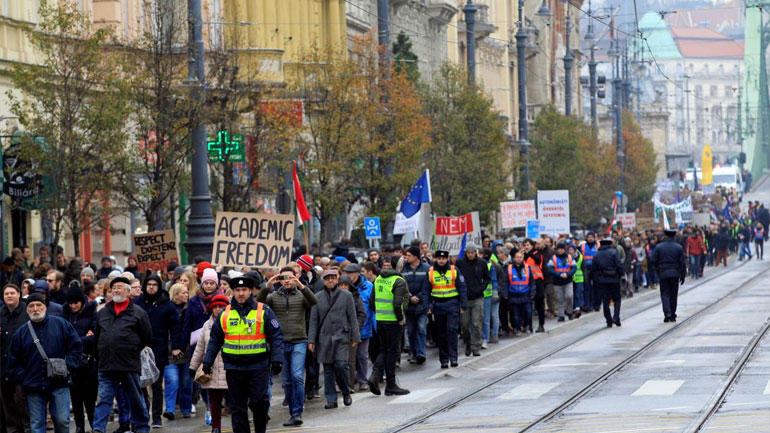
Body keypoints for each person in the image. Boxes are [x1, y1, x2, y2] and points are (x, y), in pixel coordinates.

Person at [202, 276, 284, 433]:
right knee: (237, 406)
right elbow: (214, 340)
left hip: (258, 366)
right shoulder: (225, 314)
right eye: (237, 290)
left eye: (244, 290)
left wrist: (277, 359)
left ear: (251, 291)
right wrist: (208, 361)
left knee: (259, 402)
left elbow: (276, 336)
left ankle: (260, 429)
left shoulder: (263, 311)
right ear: (232, 292)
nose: (241, 293)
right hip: (234, 367)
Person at [8, 293, 83, 433]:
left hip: (60, 382)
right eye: (31, 306)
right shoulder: (21, 332)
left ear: (45, 307)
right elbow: (13, 359)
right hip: (33, 385)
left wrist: (68, 366)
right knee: (36, 425)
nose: (35, 309)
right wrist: (22, 376)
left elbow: (76, 347)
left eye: (39, 305)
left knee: (62, 421)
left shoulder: (61, 324)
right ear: (27, 310)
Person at [91, 277, 153, 433]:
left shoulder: (138, 313)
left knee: (135, 398)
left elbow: (146, 337)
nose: (116, 290)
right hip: (107, 364)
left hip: (129, 363)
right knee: (104, 398)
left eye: (119, 287)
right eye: (113, 288)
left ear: (127, 290)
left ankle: (142, 426)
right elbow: (97, 336)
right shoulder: (103, 312)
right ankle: (98, 428)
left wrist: (130, 348)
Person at [259, 266, 317, 426]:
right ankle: (293, 412)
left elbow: (313, 301)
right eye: (283, 278)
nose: (287, 281)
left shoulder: (301, 295)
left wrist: (300, 285)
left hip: (299, 340)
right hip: (280, 343)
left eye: (290, 278)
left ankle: (298, 411)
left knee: (297, 376)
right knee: (287, 381)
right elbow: (258, 304)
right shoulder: (273, 296)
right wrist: (268, 285)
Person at [134, 274, 184, 427]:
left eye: (154, 284)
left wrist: (176, 347)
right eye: (148, 284)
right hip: (138, 349)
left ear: (159, 286)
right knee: (140, 384)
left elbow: (175, 327)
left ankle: (156, 417)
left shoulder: (166, 304)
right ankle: (143, 413)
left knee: (156, 385)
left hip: (159, 348)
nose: (151, 287)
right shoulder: (137, 303)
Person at [308, 270, 360, 408]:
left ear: (337, 280)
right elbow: (313, 321)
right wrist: (311, 340)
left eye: (332, 278)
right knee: (328, 368)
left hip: (342, 336)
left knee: (341, 365)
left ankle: (345, 390)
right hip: (324, 338)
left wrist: (356, 337)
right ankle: (331, 399)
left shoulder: (347, 295)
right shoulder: (317, 297)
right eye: (327, 279)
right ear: (323, 281)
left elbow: (352, 318)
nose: (330, 281)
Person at [367, 258, 410, 396]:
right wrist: (400, 318)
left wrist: (380, 313)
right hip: (393, 322)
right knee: (392, 352)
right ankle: (390, 384)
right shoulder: (398, 281)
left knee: (385, 350)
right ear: (400, 266)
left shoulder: (379, 278)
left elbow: (372, 302)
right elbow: (398, 304)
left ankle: (375, 375)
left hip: (380, 320)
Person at [189, 294, 230, 433]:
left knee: (235, 401)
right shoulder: (207, 325)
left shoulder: (233, 321)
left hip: (230, 366)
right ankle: (216, 427)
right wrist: (193, 366)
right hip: (212, 366)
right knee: (214, 400)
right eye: (215, 307)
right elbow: (200, 347)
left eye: (221, 306)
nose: (218, 309)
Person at [63, 286, 98, 433]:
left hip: (89, 363)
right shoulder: (65, 315)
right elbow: (63, 337)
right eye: (71, 303)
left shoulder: (92, 313)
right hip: (72, 363)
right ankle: (79, 427)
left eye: (76, 302)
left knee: (90, 399)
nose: (73, 306)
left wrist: (75, 341)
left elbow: (95, 337)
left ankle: (94, 425)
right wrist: (83, 338)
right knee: (75, 398)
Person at [427, 250, 467, 368]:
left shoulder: (454, 270)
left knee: (452, 331)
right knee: (441, 334)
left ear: (447, 259)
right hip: (438, 305)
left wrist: (463, 304)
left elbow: (462, 288)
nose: (441, 261)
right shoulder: (430, 272)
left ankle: (453, 358)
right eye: (439, 258)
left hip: (452, 304)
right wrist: (427, 306)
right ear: (436, 259)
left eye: (443, 259)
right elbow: (426, 290)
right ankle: (444, 360)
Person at [1, 284, 30, 433]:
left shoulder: (27, 312)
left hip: (22, 367)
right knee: (8, 408)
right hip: (3, 367)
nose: (9, 296)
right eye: (6, 294)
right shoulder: (1, 313)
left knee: (23, 405)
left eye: (12, 293)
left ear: (19, 294)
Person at [455, 243, 493, 357]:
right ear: (466, 253)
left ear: (475, 252)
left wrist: (481, 288)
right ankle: (468, 343)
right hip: (464, 298)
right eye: (469, 253)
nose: (470, 255)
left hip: (477, 297)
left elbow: (487, 278)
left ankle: (476, 346)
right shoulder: (460, 263)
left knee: (477, 323)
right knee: (465, 325)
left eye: (472, 253)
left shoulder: (481, 263)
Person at [342, 263, 374, 391]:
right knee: (350, 357)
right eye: (346, 273)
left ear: (357, 273)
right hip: (348, 328)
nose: (348, 276)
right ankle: (351, 380)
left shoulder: (368, 287)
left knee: (362, 355)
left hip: (364, 326)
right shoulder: (345, 286)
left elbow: (370, 307)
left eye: (350, 273)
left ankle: (362, 380)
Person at [650, 229, 687, 323]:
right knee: (673, 294)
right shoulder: (678, 247)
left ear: (665, 236)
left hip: (663, 273)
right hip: (675, 273)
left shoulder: (659, 247)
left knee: (665, 294)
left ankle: (667, 312)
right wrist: (683, 275)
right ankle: (673, 314)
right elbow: (682, 262)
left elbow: (653, 261)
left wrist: (657, 269)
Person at [401, 246, 430, 365]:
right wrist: (410, 296)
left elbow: (427, 286)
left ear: (415, 256)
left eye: (408, 255)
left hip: (422, 305)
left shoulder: (427, 268)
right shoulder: (404, 269)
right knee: (411, 331)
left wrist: (419, 296)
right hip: (409, 306)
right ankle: (413, 353)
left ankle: (421, 353)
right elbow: (402, 285)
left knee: (422, 329)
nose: (406, 258)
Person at [591, 239, 624, 327]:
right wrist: (622, 275)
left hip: (602, 280)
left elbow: (593, 269)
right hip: (614, 279)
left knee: (605, 301)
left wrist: (597, 280)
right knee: (617, 299)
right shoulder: (614, 252)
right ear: (610, 244)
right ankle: (616, 317)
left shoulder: (596, 255)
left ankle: (608, 320)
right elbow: (619, 265)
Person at [503, 252, 535, 334]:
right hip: (514, 295)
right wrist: (505, 294)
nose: (519, 259)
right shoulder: (509, 268)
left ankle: (526, 326)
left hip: (526, 294)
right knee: (516, 314)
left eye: (521, 257)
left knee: (528, 313)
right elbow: (505, 282)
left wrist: (532, 292)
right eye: (517, 257)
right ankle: (518, 328)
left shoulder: (527, 268)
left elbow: (531, 281)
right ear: (514, 258)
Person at [546, 243, 577, 322]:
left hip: (568, 280)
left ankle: (569, 312)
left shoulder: (570, 257)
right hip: (557, 282)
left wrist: (568, 274)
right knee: (560, 299)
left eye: (562, 249)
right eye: (559, 249)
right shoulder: (553, 258)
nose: (560, 250)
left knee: (569, 296)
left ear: (564, 249)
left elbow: (574, 268)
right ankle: (561, 315)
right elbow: (550, 269)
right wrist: (559, 274)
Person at [580, 233, 601, 312]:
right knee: (587, 287)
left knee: (596, 287)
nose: (590, 238)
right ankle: (587, 305)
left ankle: (597, 305)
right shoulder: (582, 246)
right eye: (589, 237)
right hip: (586, 268)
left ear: (594, 238)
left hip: (596, 268)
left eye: (592, 237)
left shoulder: (598, 245)